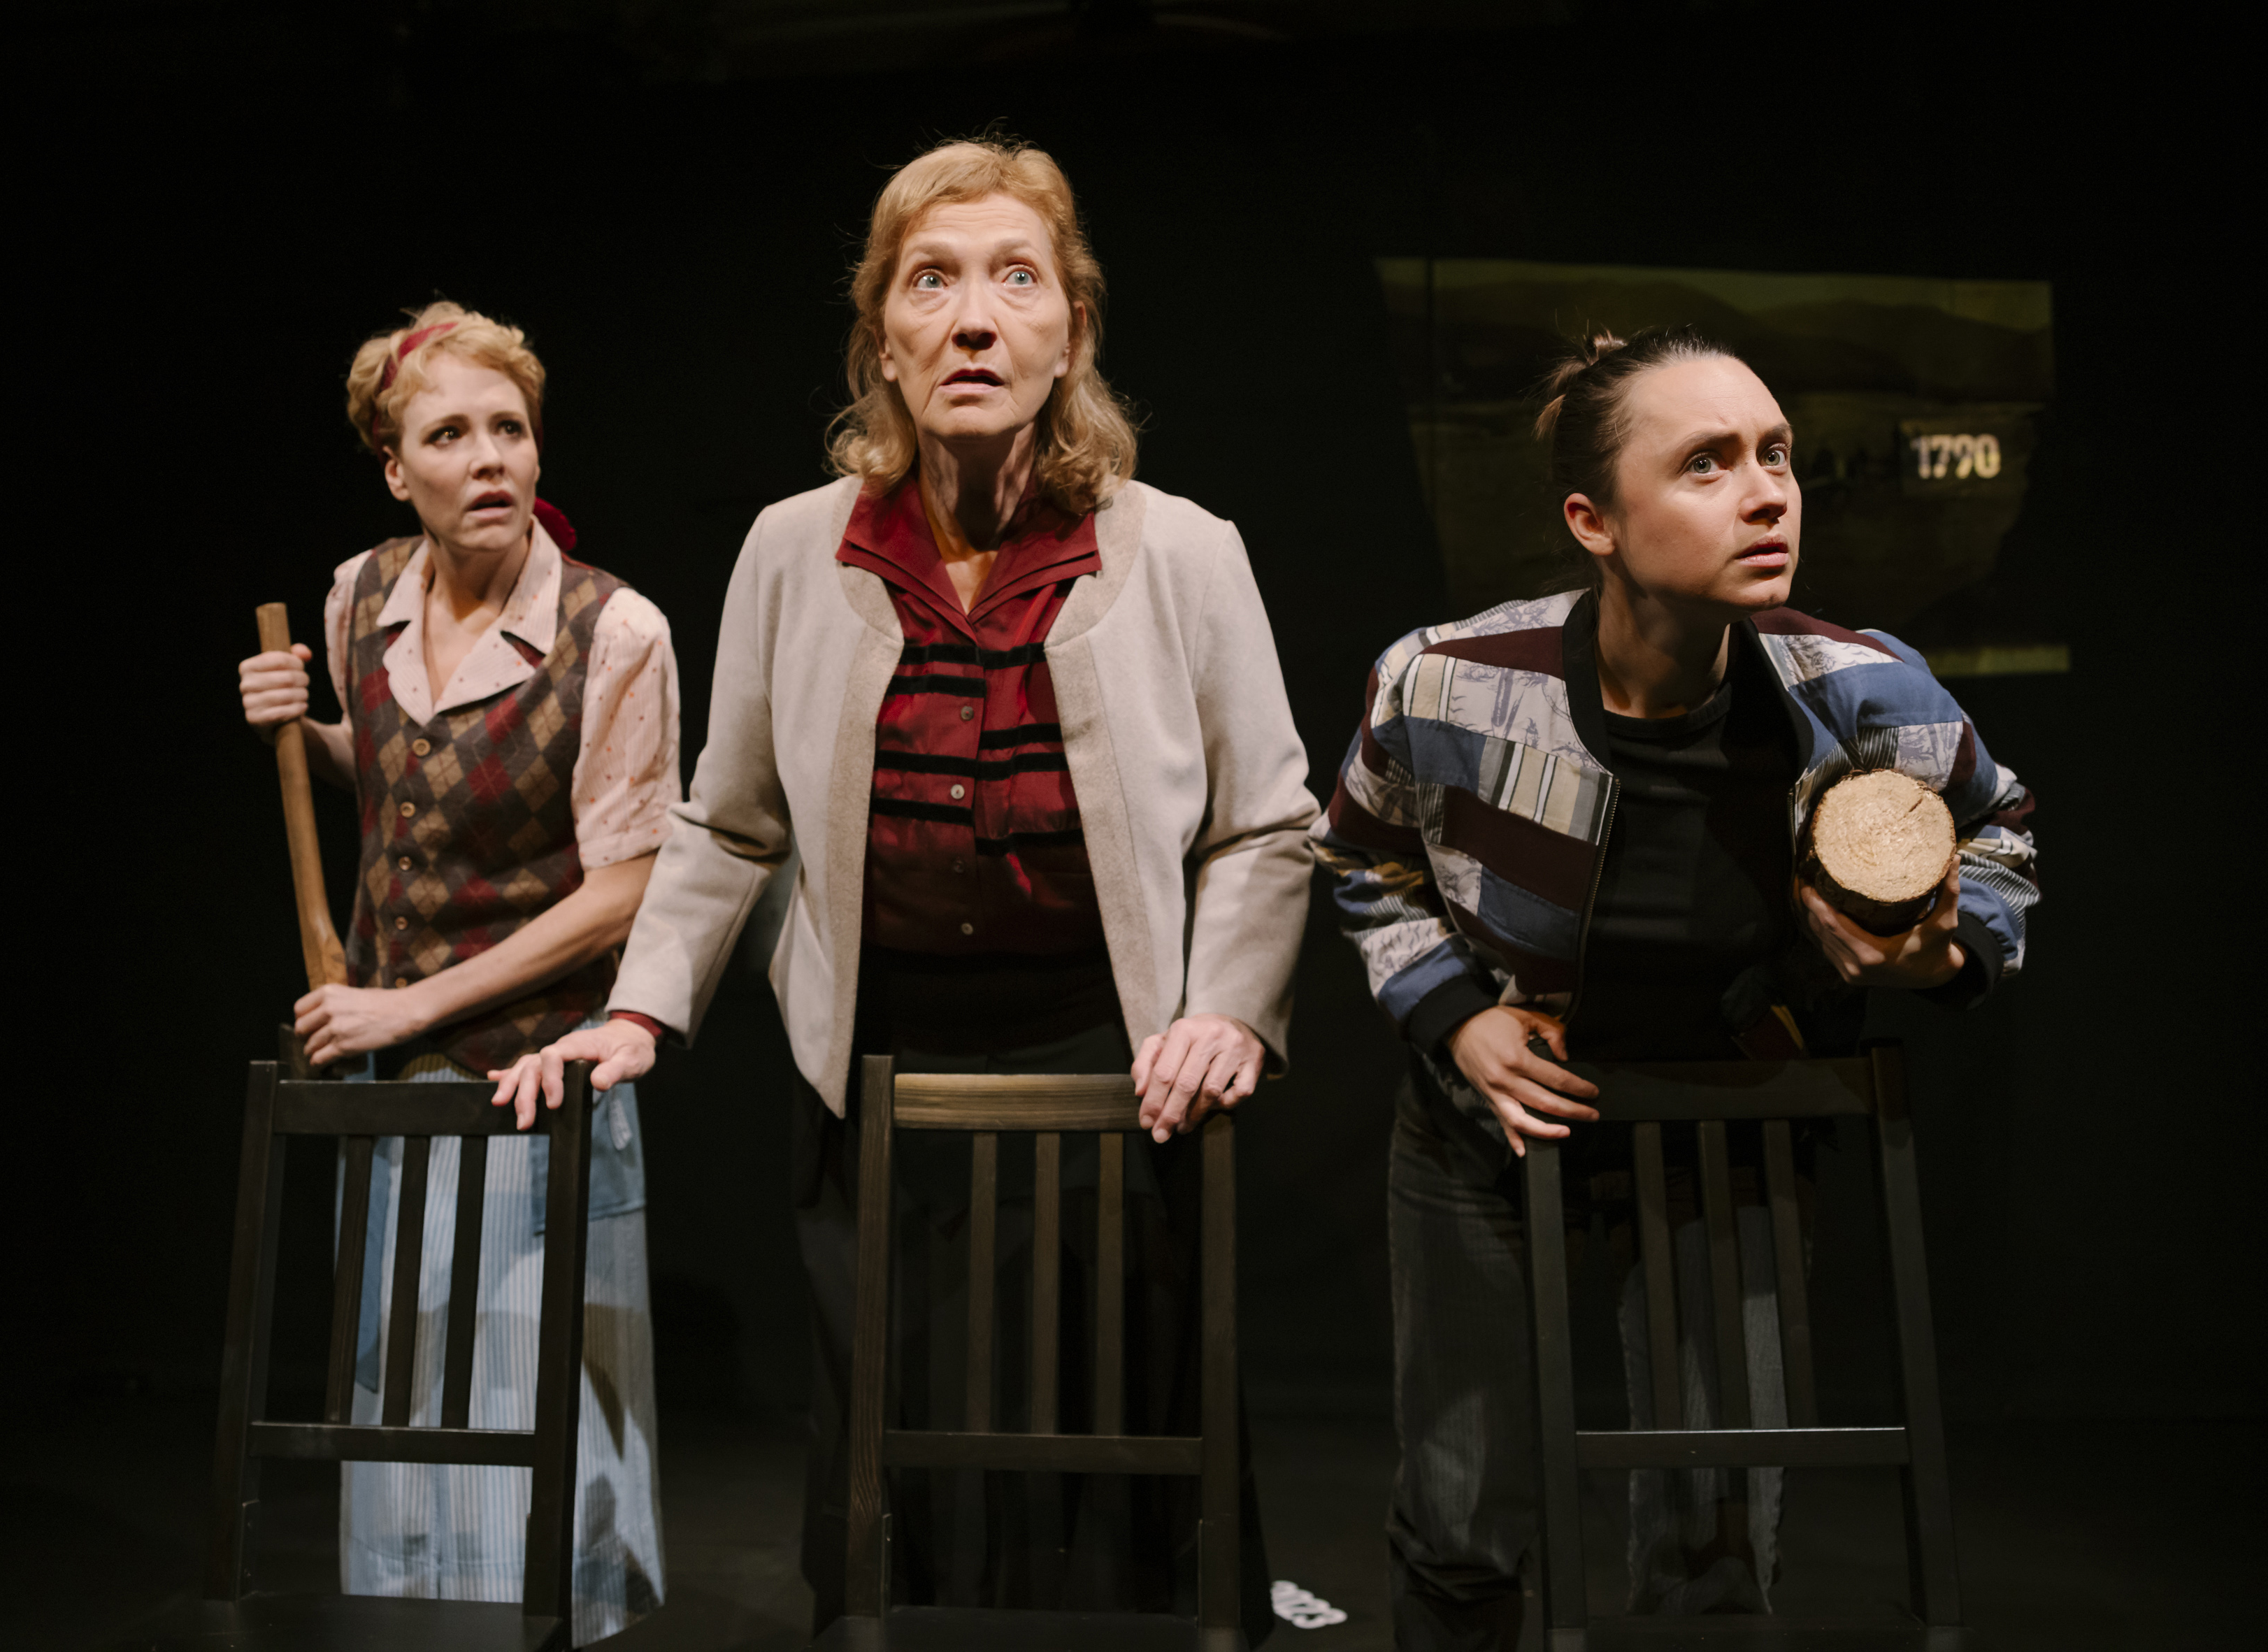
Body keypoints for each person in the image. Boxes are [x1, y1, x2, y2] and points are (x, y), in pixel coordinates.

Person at [491, 137, 1316, 1641]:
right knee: (900, 1460)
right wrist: (643, 1009)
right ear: (882, 338)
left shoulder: (1185, 552)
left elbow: (1265, 823)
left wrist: (1225, 1010)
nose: (973, 320)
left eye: (1017, 281)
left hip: (1115, 1072)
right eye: (930, 283)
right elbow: (729, 824)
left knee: (1122, 1451)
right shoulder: (791, 550)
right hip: (873, 1079)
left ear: (1073, 330)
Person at [1309, 328, 2039, 1647]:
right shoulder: (1451, 684)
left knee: (1715, 1528)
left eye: (1777, 456)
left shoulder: (1861, 689)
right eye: (1707, 464)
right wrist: (1456, 1020)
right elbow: (1361, 859)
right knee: (1464, 1512)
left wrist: (1939, 951)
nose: (1766, 495)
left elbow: (2001, 833)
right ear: (1592, 520)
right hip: (1498, 1124)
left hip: (1728, 1121)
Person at [235, 301, 675, 1638]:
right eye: (449, 435)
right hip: (391, 1089)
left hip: (533, 1083)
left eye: (510, 429)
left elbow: (627, 889)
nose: (489, 458)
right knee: (403, 1407)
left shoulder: (616, 632)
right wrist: (303, 731)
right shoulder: (360, 597)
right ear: (394, 468)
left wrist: (412, 1004)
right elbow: (395, 773)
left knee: (525, 1428)